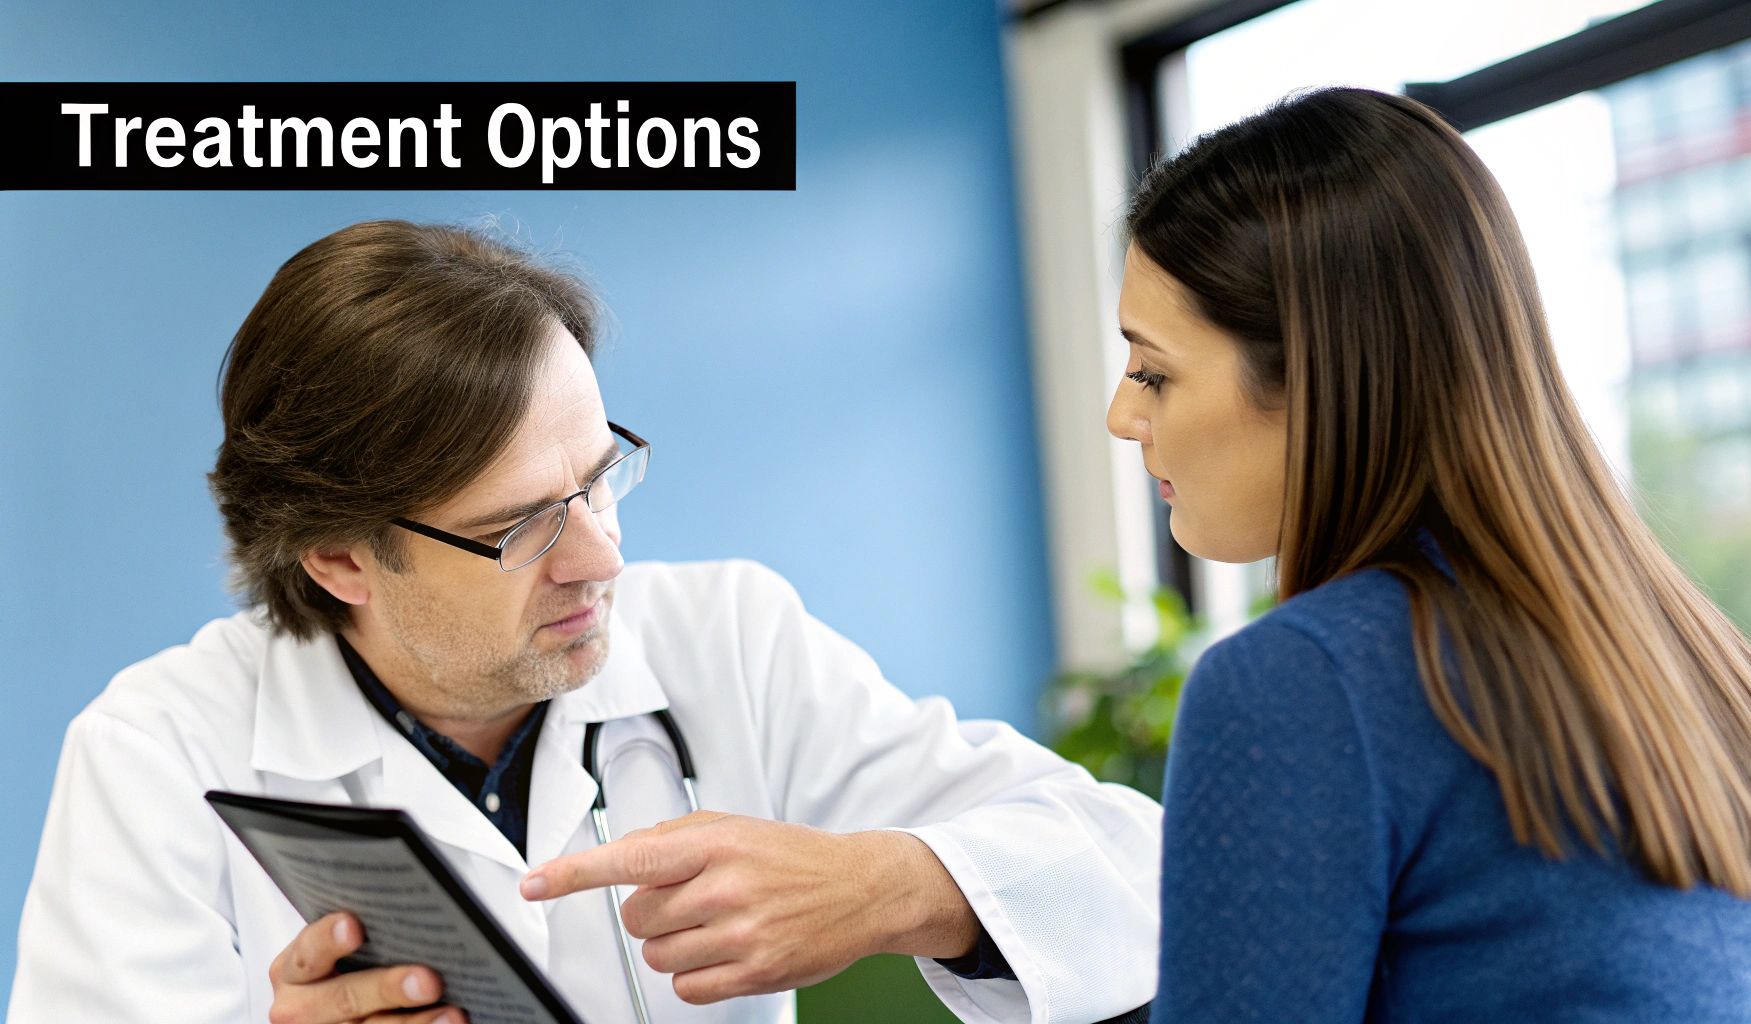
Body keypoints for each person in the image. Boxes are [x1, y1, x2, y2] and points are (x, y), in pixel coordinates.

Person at [9, 220, 1161, 1024]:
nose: (600, 554)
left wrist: (891, 885)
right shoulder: (157, 752)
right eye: (518, 527)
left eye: (599, 478)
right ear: (339, 555)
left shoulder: (732, 640)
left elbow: (1137, 869)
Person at [1106, 87, 1751, 1023]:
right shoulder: (1682, 652)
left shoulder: (1305, 682)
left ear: (1318, 378)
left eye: (1154, 371)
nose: (1124, 417)